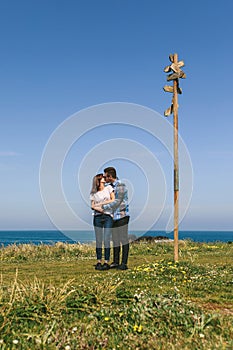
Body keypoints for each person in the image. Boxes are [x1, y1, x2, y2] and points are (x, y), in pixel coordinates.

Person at [102, 167, 130, 270]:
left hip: (122, 216)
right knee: (115, 240)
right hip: (113, 217)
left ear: (110, 176)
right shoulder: (109, 187)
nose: (104, 178)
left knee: (123, 239)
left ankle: (124, 263)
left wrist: (102, 207)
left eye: (105, 176)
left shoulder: (120, 185)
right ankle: (116, 261)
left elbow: (117, 201)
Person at [90, 173, 115, 271]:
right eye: (103, 178)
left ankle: (107, 261)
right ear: (99, 181)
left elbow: (113, 200)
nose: (105, 179)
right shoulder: (93, 193)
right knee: (99, 239)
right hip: (98, 217)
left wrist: (101, 204)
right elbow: (92, 206)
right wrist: (101, 209)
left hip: (108, 216)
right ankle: (99, 261)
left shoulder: (109, 188)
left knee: (106, 239)